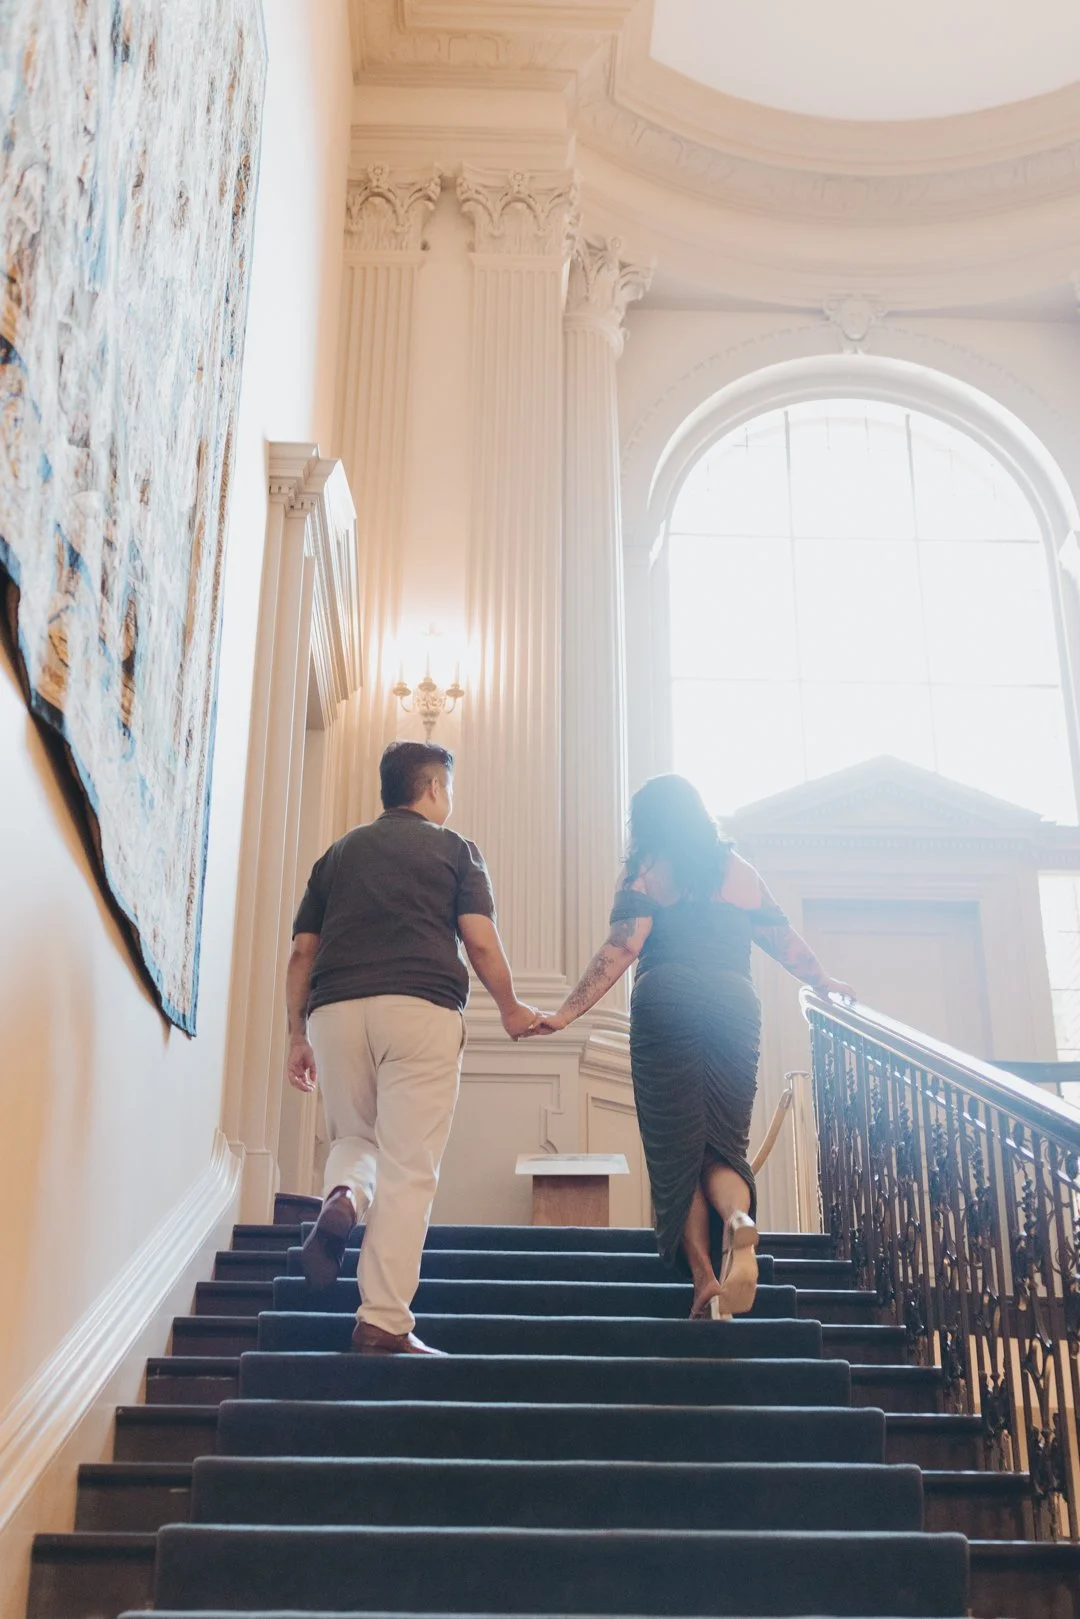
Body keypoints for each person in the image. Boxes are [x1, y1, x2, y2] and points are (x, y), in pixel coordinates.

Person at [528, 774, 853, 1320]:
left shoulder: (647, 873)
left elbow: (623, 947)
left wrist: (566, 1012)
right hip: (733, 1004)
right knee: (721, 1146)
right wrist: (824, 982)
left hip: (667, 1002)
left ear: (648, 823)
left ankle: (703, 1276)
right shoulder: (737, 870)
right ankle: (738, 1222)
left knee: (675, 1152)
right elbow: (782, 939)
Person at [286, 739, 538, 1356]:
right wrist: (509, 1006)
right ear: (431, 789)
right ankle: (382, 1322)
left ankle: (343, 1197)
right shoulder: (456, 851)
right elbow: (478, 940)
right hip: (420, 1010)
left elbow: (301, 952)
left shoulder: (337, 855)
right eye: (446, 788)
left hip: (336, 1011)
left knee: (354, 1140)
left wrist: (296, 1033)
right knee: (408, 1168)